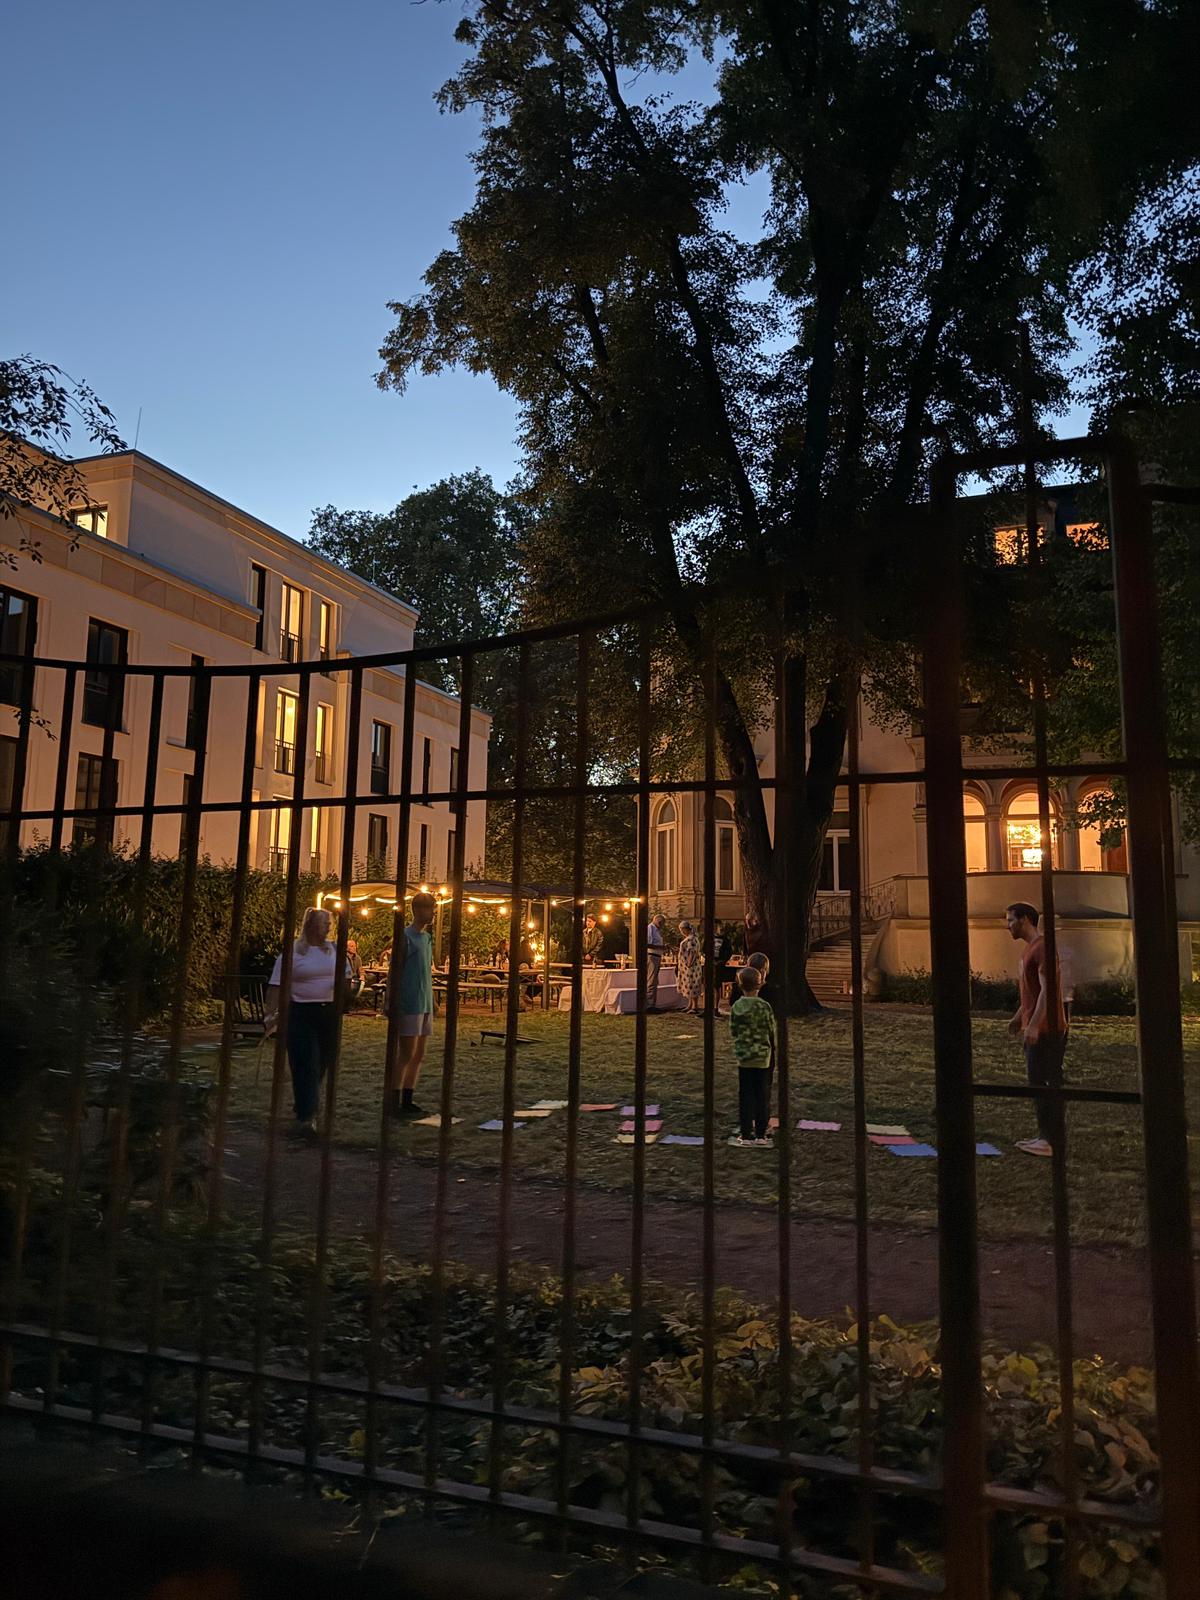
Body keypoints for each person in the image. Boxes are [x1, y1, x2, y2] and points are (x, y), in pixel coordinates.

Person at [265, 906, 350, 1137]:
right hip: (300, 1012)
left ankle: (305, 1104)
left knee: (322, 1063)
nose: (328, 928)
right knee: (305, 1062)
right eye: (324, 924)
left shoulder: (334, 950)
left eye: (329, 924)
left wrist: (345, 988)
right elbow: (276, 986)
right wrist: (270, 1014)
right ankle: (307, 1116)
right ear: (311, 926)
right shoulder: (294, 953)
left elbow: (346, 975)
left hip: (328, 1012)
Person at [1005, 901, 1068, 1157]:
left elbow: (1048, 990)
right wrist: (1018, 1018)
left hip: (1047, 1029)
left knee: (1044, 1083)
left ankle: (1050, 1141)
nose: (1007, 926)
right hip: (1037, 1026)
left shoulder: (1043, 948)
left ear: (1025, 920)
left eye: (1010, 920)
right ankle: (1045, 1137)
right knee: (1038, 1082)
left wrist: (1033, 1026)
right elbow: (1032, 993)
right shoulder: (1029, 950)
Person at [388, 891, 437, 1119]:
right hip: (408, 1001)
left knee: (419, 1053)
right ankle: (394, 1100)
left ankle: (408, 1098)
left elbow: (426, 970)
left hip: (424, 1001)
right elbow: (395, 970)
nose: (433, 913)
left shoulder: (427, 938)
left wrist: (432, 998)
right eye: (429, 908)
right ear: (417, 910)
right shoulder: (405, 937)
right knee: (406, 1053)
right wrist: (391, 1000)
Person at [727, 966, 776, 1147]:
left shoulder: (737, 1007)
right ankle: (761, 1134)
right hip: (762, 1057)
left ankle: (746, 1134)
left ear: (740, 985)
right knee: (761, 1095)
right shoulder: (764, 1006)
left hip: (744, 1057)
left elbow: (733, 1030)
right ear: (760, 984)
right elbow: (771, 1029)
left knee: (745, 1095)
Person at [676, 919, 704, 1013]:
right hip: (687, 966)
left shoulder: (691, 939)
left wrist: (689, 963)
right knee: (688, 985)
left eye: (682, 929)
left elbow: (692, 952)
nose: (681, 932)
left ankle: (695, 1006)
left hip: (691, 966)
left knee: (692, 984)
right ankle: (690, 1005)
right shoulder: (690, 938)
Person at [645, 913, 665, 1010]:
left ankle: (652, 1003)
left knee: (654, 980)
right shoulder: (651, 928)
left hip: (657, 956)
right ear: (659, 921)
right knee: (651, 980)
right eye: (662, 923)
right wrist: (660, 947)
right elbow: (648, 943)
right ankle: (649, 1005)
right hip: (652, 956)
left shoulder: (657, 930)